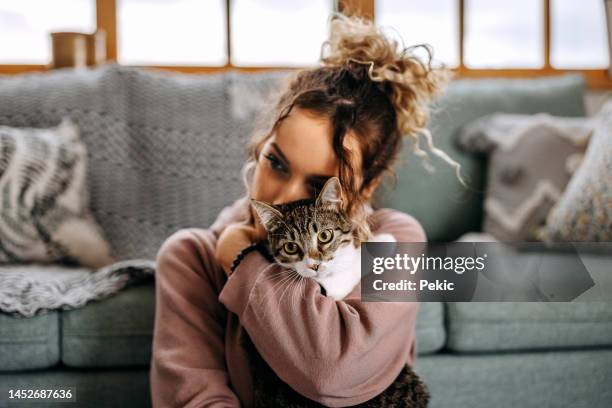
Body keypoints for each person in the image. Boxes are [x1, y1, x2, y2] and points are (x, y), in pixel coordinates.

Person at [150, 12, 462, 408]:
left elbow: (333, 372)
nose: (282, 198)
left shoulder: (397, 241)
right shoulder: (191, 257)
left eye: (317, 186)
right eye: (276, 163)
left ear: (366, 187)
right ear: (261, 146)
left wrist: (243, 262)